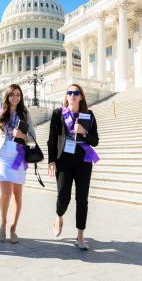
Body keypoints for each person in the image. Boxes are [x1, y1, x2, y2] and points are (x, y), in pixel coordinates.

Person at [47, 83, 99, 250]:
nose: (72, 95)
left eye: (76, 93)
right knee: (63, 196)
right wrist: (51, 160)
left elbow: (95, 141)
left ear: (81, 96)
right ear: (66, 96)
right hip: (64, 161)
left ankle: (80, 236)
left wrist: (83, 131)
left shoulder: (89, 115)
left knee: (82, 198)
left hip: (83, 161)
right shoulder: (58, 113)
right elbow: (52, 139)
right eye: (69, 92)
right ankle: (59, 215)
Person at [0, 84, 36, 244]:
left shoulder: (25, 114)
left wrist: (23, 135)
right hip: (3, 156)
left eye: (18, 95)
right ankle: (3, 222)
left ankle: (14, 228)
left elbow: (33, 137)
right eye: (12, 94)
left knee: (18, 195)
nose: (15, 97)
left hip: (18, 156)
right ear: (7, 96)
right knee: (6, 193)